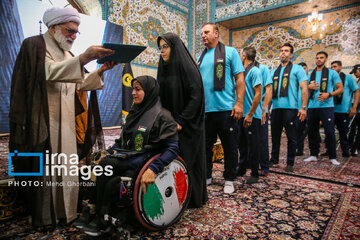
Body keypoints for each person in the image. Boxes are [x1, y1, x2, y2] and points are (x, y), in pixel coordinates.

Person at [9, 6, 117, 226]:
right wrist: (84, 57)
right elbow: (48, 72)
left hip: (66, 121)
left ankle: (67, 213)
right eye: (70, 31)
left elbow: (81, 84)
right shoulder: (35, 45)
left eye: (76, 32)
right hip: (43, 121)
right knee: (48, 171)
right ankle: (47, 216)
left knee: (66, 169)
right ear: (54, 27)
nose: (74, 36)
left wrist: (101, 70)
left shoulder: (68, 53)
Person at [80, 76, 180, 236]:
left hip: (146, 157)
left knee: (107, 165)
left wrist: (154, 169)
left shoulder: (163, 116)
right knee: (100, 161)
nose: (133, 93)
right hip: (130, 155)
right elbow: (122, 140)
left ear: (149, 91)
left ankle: (101, 215)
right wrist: (110, 150)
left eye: (138, 89)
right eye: (133, 89)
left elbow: (173, 148)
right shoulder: (135, 112)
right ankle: (94, 209)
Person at [156, 33, 207, 207]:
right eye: (160, 47)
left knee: (188, 160)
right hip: (171, 123)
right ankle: (175, 199)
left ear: (174, 47)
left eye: (165, 46)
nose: (162, 51)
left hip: (188, 124)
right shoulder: (163, 67)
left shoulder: (187, 67)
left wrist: (181, 121)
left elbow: (196, 96)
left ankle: (192, 200)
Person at [197, 23, 245, 194]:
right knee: (205, 147)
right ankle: (207, 176)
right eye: (202, 33)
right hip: (206, 111)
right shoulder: (200, 57)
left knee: (230, 147)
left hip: (226, 109)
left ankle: (229, 179)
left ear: (216, 33)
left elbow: (240, 79)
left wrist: (239, 103)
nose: (203, 35)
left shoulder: (230, 52)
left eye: (207, 32)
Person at [269, 43, 309, 172]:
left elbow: (304, 88)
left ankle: (290, 162)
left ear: (291, 55)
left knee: (291, 137)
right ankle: (274, 159)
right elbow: (269, 92)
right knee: (274, 136)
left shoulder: (298, 69)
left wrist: (303, 107)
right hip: (276, 109)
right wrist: (266, 109)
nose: (283, 53)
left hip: (291, 109)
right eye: (281, 50)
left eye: (286, 51)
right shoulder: (274, 71)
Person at [304, 51, 344, 165]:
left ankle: (332, 156)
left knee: (330, 132)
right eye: (317, 58)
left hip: (327, 107)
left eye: (321, 58)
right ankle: (313, 154)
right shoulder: (310, 75)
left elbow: (341, 88)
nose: (319, 60)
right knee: (312, 131)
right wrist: (308, 86)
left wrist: (329, 94)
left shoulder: (332, 73)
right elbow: (303, 89)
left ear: (326, 59)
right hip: (312, 107)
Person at [237, 47, 263, 184]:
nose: (239, 56)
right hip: (241, 114)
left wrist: (250, 114)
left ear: (244, 56)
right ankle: (241, 168)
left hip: (252, 116)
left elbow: (258, 93)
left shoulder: (255, 71)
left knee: (253, 146)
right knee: (242, 144)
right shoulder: (242, 72)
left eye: (240, 54)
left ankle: (254, 172)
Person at [331, 61, 359, 157]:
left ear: (340, 67)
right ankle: (329, 150)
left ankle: (345, 151)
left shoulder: (348, 78)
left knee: (343, 132)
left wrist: (354, 107)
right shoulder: (331, 79)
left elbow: (356, 92)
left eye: (335, 66)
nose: (333, 68)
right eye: (331, 67)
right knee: (329, 132)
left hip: (343, 110)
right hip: (331, 110)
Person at [295, 62, 309, 156]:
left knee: (311, 131)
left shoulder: (312, 79)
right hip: (298, 110)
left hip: (311, 109)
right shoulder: (296, 81)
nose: (303, 70)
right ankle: (299, 150)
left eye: (304, 68)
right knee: (299, 131)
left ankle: (314, 152)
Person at [348, 64, 360, 156]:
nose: (355, 74)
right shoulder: (358, 81)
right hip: (355, 108)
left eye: (355, 72)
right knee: (352, 128)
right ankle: (350, 145)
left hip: (358, 109)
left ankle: (355, 148)